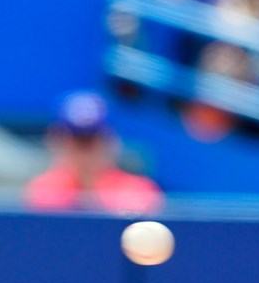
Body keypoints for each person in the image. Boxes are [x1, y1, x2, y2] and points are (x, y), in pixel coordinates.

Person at [23, 90, 164, 216]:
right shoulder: (44, 186)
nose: (84, 152)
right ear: (57, 141)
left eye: (90, 141)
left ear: (110, 141)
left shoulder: (138, 189)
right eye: (77, 141)